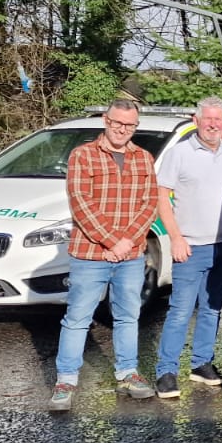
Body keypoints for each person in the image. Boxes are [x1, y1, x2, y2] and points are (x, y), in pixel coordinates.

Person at [48, 99, 160, 411]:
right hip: (90, 254)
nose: (123, 130)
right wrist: (112, 242)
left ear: (135, 126)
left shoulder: (144, 158)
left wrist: (128, 242)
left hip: (131, 255)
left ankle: (127, 374)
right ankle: (65, 381)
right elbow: (81, 204)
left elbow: (150, 204)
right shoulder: (82, 156)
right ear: (105, 120)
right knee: (77, 319)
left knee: (128, 316)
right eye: (117, 123)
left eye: (129, 125)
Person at [152, 97, 222, 399]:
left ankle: (201, 363)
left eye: (219, 120)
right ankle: (166, 371)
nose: (213, 125)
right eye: (208, 119)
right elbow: (161, 197)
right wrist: (175, 238)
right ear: (196, 120)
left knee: (212, 308)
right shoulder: (179, 153)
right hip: (189, 247)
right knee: (180, 311)